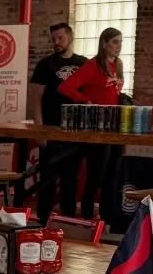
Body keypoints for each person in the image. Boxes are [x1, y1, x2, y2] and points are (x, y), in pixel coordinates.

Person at [58, 28, 124, 220]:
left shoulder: (118, 65)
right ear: (104, 43)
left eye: (120, 42)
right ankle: (87, 214)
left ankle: (108, 216)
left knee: (113, 173)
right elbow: (65, 87)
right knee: (97, 174)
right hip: (97, 125)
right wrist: (86, 101)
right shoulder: (93, 65)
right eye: (114, 42)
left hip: (115, 124)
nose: (118, 46)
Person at [28, 22, 86, 222]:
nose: (56, 42)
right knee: (48, 180)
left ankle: (68, 222)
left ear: (70, 37)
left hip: (74, 131)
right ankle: (42, 222)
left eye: (60, 38)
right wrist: (39, 130)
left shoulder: (83, 64)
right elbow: (35, 97)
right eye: (53, 39)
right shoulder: (46, 64)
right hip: (51, 130)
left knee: (71, 180)